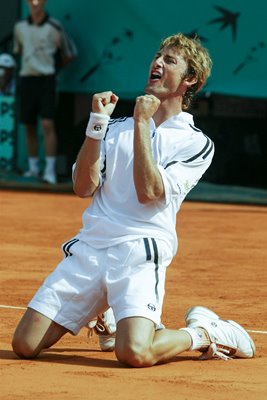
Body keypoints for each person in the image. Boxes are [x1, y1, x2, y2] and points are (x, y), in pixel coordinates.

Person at [12, 33, 256, 365]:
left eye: (170, 60)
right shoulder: (114, 127)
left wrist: (142, 123)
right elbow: (83, 187)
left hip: (141, 250)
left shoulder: (195, 143)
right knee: (24, 344)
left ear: (190, 79)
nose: (157, 62)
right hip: (91, 248)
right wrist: (96, 125)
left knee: (134, 353)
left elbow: (150, 192)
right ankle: (106, 309)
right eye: (157, 56)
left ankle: (204, 333)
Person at [13, 0, 77, 184]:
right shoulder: (20, 27)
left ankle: (50, 171)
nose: (34, 3)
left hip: (47, 81)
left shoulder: (54, 26)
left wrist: (53, 71)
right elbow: (20, 50)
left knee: (47, 124)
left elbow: (70, 53)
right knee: (29, 124)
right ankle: (33, 169)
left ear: (44, 2)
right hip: (27, 80)